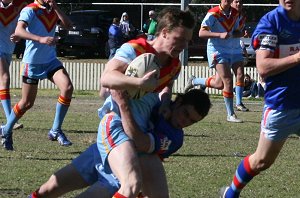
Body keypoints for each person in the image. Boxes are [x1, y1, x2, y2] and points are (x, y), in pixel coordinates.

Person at [28, 89, 211, 198]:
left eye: (192, 121)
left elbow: (139, 142)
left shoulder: (174, 138)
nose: (184, 122)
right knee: (48, 189)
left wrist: (122, 104)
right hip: (101, 152)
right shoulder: (153, 100)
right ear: (178, 102)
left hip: (117, 176)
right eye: (185, 113)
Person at [220, 1, 300, 197]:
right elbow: (263, 67)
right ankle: (231, 193)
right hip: (282, 104)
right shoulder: (271, 22)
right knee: (261, 161)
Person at [0, 0, 74, 150]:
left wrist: (57, 8)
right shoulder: (29, 10)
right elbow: (19, 30)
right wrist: (41, 39)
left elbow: (69, 25)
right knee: (27, 103)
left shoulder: (53, 9)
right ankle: (6, 130)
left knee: (67, 88)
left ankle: (55, 130)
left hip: (50, 61)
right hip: (32, 63)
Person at [184, 0, 249, 123]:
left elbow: (236, 32)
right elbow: (201, 33)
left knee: (224, 82)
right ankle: (231, 114)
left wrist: (240, 33)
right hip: (218, 50)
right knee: (228, 81)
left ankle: (195, 80)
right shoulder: (213, 13)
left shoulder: (235, 13)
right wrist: (219, 35)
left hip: (234, 50)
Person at [0, 0, 28, 139]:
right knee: (5, 79)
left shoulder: (21, 5)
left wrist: (19, 34)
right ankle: (10, 118)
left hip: (8, 49)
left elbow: (25, 26)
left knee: (2, 82)